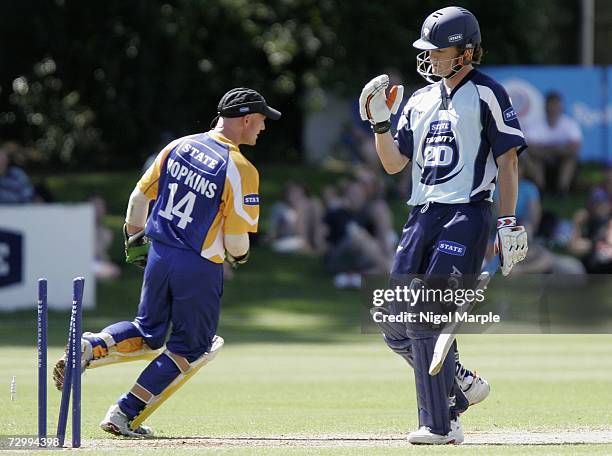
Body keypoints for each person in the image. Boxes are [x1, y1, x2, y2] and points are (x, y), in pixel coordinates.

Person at [53, 87, 281, 437]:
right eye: (262, 121)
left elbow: (138, 198)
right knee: (190, 347)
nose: (263, 128)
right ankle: (123, 413)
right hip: (200, 264)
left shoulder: (179, 146)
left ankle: (90, 345)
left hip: (160, 253)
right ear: (246, 118)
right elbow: (237, 242)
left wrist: (133, 239)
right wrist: (240, 257)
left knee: (147, 331)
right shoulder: (240, 168)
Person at [359, 6, 528, 445]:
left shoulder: (489, 92)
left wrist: (507, 222)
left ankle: (441, 424)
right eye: (428, 50)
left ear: (466, 51)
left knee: (425, 316)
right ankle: (461, 382)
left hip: (466, 214)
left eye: (439, 49)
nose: (430, 57)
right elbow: (395, 163)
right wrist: (380, 123)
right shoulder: (419, 99)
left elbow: (507, 160)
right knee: (392, 324)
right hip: (421, 215)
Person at [522, 91, 582, 195]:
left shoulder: (570, 124)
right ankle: (540, 189)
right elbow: (529, 149)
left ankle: (562, 190)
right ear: (545, 107)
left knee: (570, 159)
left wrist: (546, 151)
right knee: (532, 159)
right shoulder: (535, 124)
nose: (553, 108)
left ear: (561, 107)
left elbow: (574, 148)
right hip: (542, 160)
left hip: (559, 161)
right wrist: (557, 150)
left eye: (556, 105)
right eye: (551, 105)